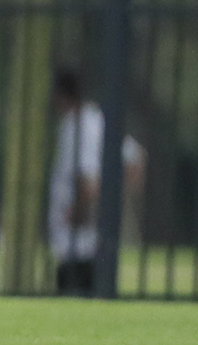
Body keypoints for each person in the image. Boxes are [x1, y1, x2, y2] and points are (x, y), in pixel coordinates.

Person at [48, 65, 144, 296]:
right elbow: (136, 160)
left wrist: (81, 209)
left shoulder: (74, 127)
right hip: (98, 241)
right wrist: (112, 197)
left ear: (59, 94)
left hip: (77, 244)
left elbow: (87, 181)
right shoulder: (96, 120)